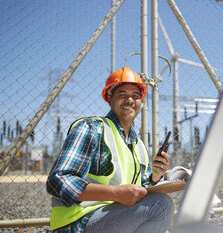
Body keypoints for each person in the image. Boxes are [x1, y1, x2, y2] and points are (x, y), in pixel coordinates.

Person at [46, 67, 173, 232]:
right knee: (160, 206)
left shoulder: (138, 145)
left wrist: (155, 177)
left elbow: (138, 190)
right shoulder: (91, 128)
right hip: (78, 223)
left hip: (114, 217)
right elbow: (58, 180)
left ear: (140, 102)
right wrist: (115, 194)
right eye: (122, 95)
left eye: (135, 96)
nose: (130, 100)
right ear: (109, 98)